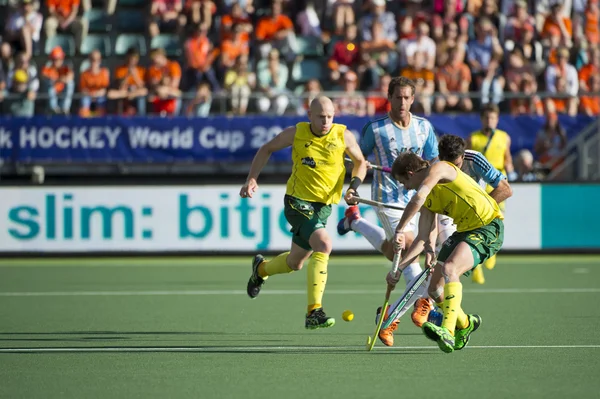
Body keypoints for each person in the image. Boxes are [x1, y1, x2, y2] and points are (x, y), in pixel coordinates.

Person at [240, 96, 367, 329]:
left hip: (324, 207)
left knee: (295, 263)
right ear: (310, 116)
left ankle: (260, 269)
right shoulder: (296, 133)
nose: (325, 121)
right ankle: (314, 312)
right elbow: (266, 148)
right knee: (324, 244)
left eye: (329, 116)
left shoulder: (343, 136)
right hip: (297, 202)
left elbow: (361, 163)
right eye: (320, 117)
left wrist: (353, 187)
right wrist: (252, 179)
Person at [337, 76, 439, 346]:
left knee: (399, 250)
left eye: (407, 98)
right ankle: (421, 303)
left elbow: (434, 163)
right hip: (388, 199)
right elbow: (359, 159)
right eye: (398, 97)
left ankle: (354, 223)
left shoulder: (424, 128)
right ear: (389, 98)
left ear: (413, 99)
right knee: (408, 247)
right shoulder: (376, 129)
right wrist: (356, 183)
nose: (402, 102)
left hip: (419, 196)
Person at [386, 152, 504, 353]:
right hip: (464, 231)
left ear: (411, 173)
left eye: (403, 181)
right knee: (434, 289)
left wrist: (400, 229)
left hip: (487, 226)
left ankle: (447, 332)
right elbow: (422, 238)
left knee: (450, 268)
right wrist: (399, 268)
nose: (404, 187)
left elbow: (418, 197)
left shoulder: (439, 168)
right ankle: (465, 324)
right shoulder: (429, 201)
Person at [434, 134, 513, 284]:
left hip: (476, 216)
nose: (452, 172)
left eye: (456, 165)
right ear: (440, 157)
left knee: (450, 267)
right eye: (448, 166)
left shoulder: (475, 159)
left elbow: (505, 189)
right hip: (448, 215)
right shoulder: (436, 167)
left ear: (463, 156)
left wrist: (479, 208)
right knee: (443, 262)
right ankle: (432, 303)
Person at [467, 103, 515, 281]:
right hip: (479, 186)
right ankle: (476, 265)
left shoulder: (504, 137)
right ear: (482, 119)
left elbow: (507, 157)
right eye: (487, 117)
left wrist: (512, 170)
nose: (490, 121)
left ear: (497, 119)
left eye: (493, 118)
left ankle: (491, 252)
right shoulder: (473, 139)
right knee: (478, 223)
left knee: (496, 219)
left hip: (498, 184)